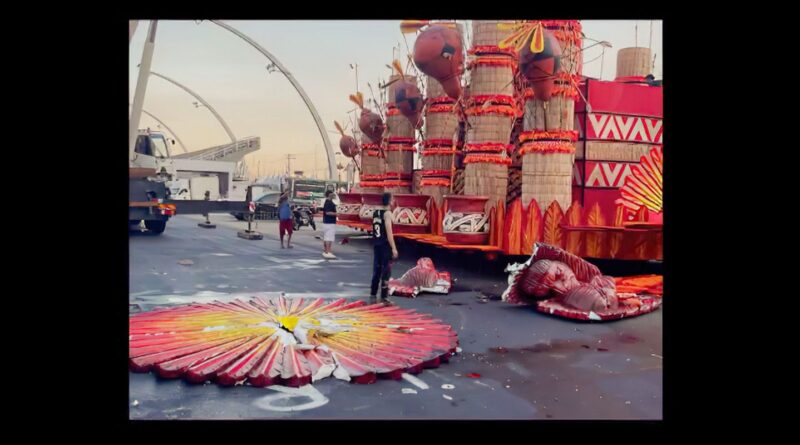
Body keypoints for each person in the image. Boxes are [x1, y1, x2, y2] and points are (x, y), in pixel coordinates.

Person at [370, 192, 398, 303]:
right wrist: (394, 248)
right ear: (390, 201)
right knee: (386, 270)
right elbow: (389, 232)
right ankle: (384, 295)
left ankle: (373, 292)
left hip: (377, 244)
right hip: (385, 245)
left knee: (376, 269)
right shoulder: (387, 214)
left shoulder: (376, 212)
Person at [321, 190, 338, 259]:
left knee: (326, 237)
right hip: (329, 222)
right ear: (329, 195)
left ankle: (326, 250)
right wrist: (336, 214)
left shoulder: (328, 202)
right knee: (329, 237)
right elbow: (328, 212)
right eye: (332, 194)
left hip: (327, 222)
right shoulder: (328, 202)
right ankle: (328, 251)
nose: (334, 195)